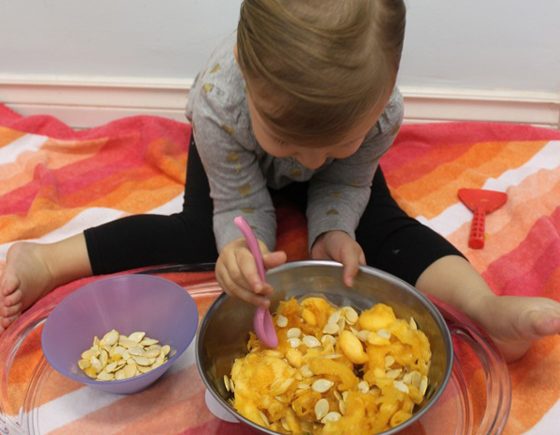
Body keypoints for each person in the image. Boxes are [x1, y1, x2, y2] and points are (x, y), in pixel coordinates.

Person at [1, 0, 559, 362]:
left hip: (341, 171)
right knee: (198, 235)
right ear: (247, 72)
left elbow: (343, 182)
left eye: (336, 140)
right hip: (236, 158)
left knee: (382, 228)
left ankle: (486, 309)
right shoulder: (221, 105)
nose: (311, 160)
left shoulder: (381, 114)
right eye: (290, 140)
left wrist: (330, 232)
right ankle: (48, 260)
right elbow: (240, 203)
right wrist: (248, 252)